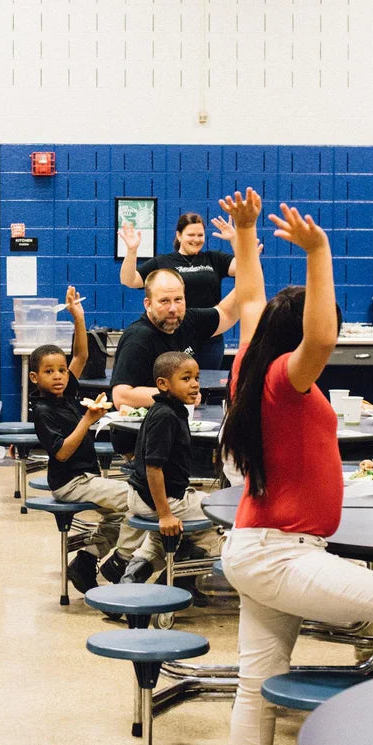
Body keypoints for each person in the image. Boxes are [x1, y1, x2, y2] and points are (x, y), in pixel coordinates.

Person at [216, 188, 373, 745]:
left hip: (261, 546)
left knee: (257, 681)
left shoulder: (249, 366)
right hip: (277, 553)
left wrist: (245, 235)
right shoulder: (286, 380)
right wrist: (318, 250)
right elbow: (322, 335)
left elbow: (253, 297)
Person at [29, 285, 141, 589]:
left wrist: (78, 318)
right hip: (70, 482)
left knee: (119, 515)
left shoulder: (68, 393)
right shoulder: (42, 409)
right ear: (35, 378)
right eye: (49, 371)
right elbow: (62, 453)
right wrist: (88, 420)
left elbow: (81, 353)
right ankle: (118, 564)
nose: (59, 376)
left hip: (88, 477)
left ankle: (87, 560)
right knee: (138, 501)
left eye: (62, 370)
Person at [109, 266, 238, 456]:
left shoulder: (187, 321)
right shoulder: (138, 338)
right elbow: (121, 397)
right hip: (141, 441)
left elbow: (227, 313)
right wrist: (178, 394)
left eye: (178, 299)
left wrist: (247, 265)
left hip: (176, 429)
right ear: (148, 304)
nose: (173, 308)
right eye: (164, 301)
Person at [122, 350, 220, 584]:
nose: (195, 384)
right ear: (163, 384)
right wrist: (165, 514)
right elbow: (153, 467)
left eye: (196, 378)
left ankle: (132, 576)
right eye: (186, 379)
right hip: (158, 499)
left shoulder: (170, 410)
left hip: (149, 495)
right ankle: (176, 581)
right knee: (221, 516)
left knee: (162, 536)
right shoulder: (166, 416)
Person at [119, 213, 238, 369]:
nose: (196, 239)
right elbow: (129, 280)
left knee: (208, 385)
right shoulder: (163, 261)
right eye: (191, 234)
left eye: (200, 235)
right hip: (177, 336)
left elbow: (244, 268)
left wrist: (235, 240)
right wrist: (132, 250)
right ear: (179, 235)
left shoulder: (213, 259)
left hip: (210, 336)